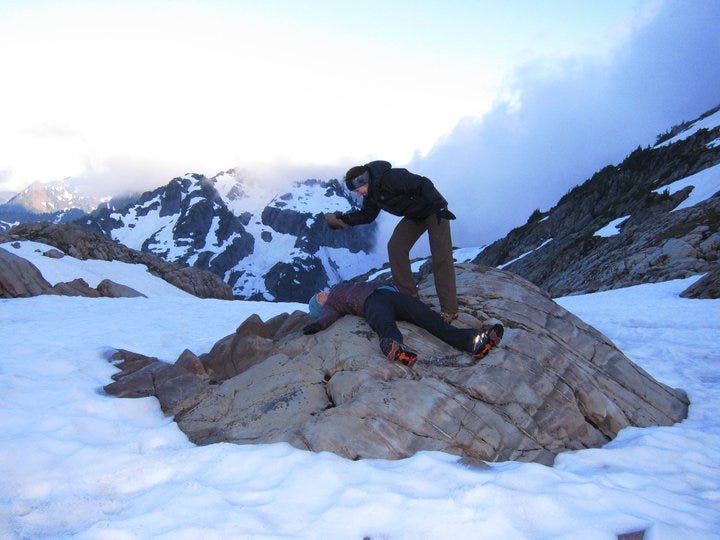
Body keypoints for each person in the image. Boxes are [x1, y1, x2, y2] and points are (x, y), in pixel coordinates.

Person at [324, 160, 460, 322]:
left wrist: (440, 206)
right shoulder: (372, 194)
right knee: (395, 247)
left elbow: (423, 183)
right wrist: (342, 220)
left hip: (434, 210)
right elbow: (367, 215)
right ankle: (409, 299)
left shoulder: (390, 178)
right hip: (415, 215)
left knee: (441, 256)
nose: (358, 194)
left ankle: (450, 310)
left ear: (364, 180)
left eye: (358, 190)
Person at [302, 281, 503, 367]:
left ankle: (475, 342)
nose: (320, 294)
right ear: (321, 306)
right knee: (383, 322)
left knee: (429, 318)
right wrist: (318, 325)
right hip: (370, 302)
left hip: (390, 293)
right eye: (317, 299)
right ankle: (394, 346)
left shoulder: (339, 287)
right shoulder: (333, 304)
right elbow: (326, 316)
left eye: (318, 294)